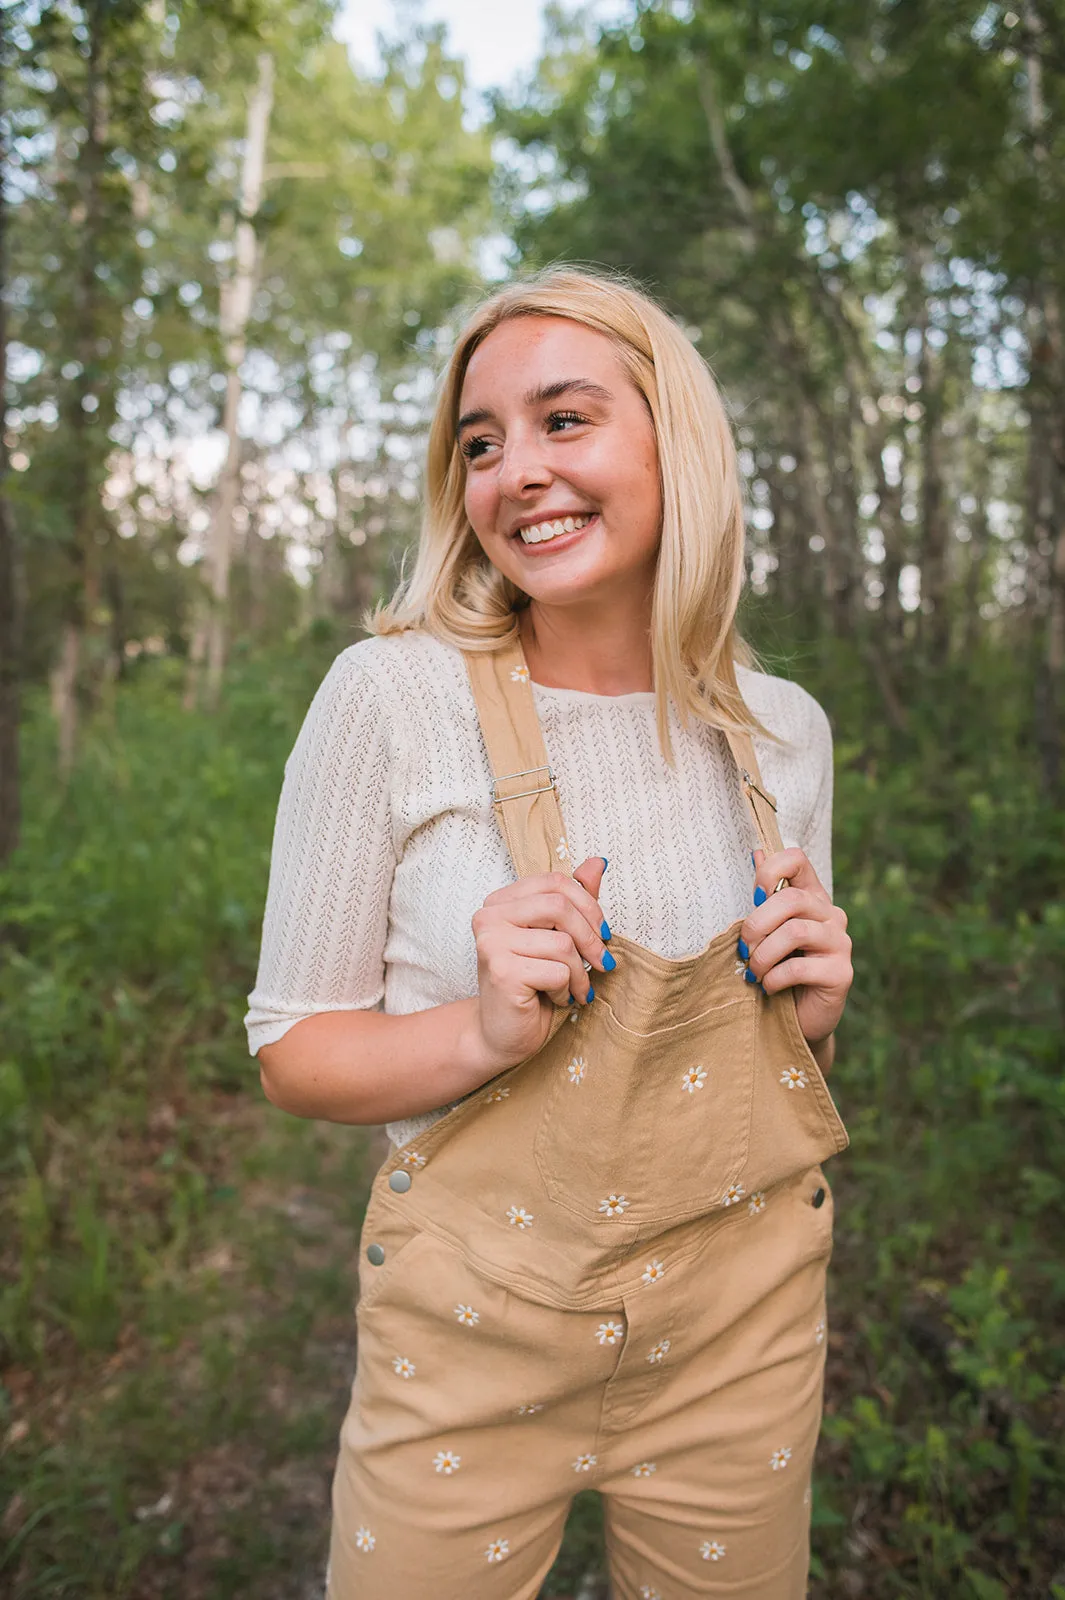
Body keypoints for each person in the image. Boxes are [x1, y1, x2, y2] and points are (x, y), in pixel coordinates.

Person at [246, 266, 854, 1599]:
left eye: (564, 421)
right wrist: (476, 1028)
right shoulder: (390, 698)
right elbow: (295, 1048)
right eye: (481, 442)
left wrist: (807, 1013)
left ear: (671, 442)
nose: (517, 472)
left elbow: (762, 1074)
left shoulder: (781, 734)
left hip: (741, 1345)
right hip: (465, 1352)